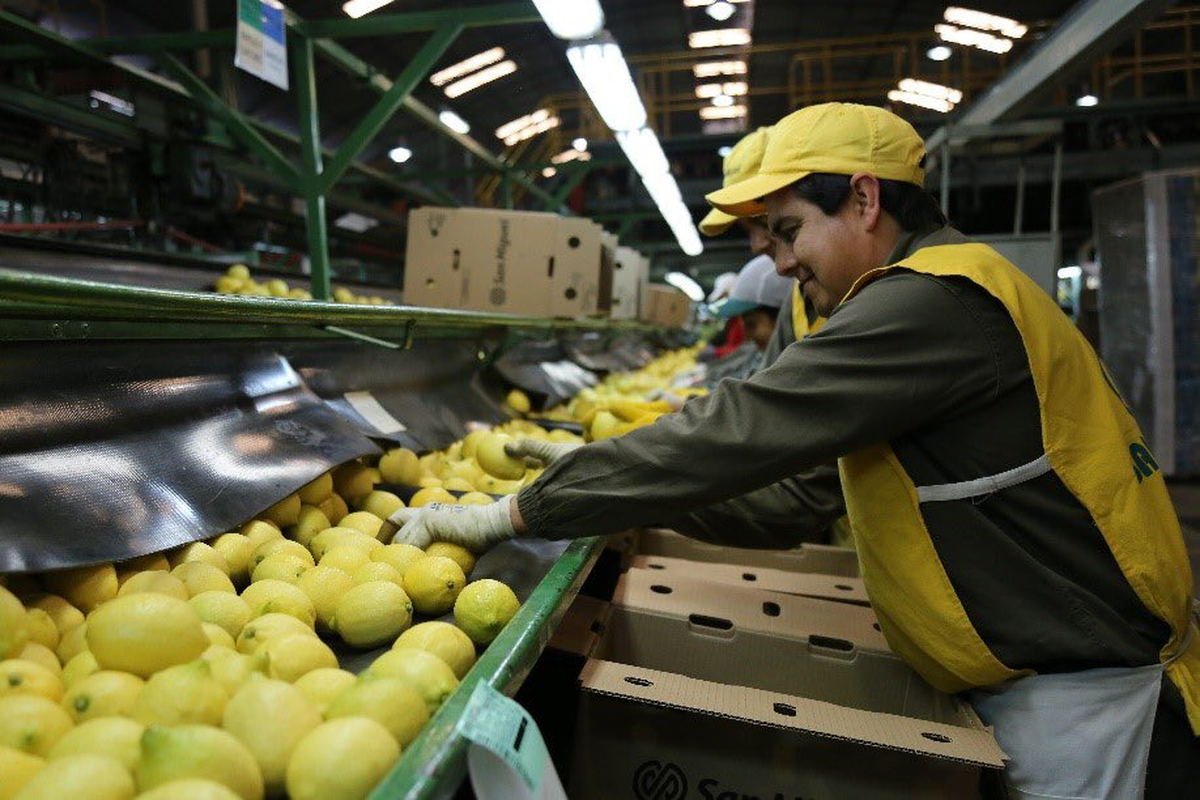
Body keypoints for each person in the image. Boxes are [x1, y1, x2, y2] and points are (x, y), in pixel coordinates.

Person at [387, 102, 1198, 797]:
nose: (775, 260)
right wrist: (611, 500)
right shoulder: (898, 296)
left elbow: (737, 430)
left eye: (787, 230)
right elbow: (798, 494)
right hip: (1026, 679)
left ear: (866, 199)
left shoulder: (932, 303)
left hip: (1084, 701)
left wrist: (519, 510)